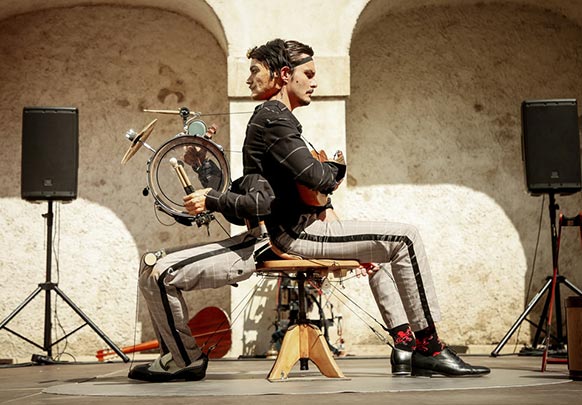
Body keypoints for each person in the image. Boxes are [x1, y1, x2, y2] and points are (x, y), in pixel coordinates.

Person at [128, 38, 490, 382]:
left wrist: (208, 176)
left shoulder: (269, 118)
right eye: (309, 75)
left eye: (253, 70)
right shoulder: (273, 117)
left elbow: (257, 188)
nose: (314, 83)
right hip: (297, 235)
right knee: (405, 238)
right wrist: (337, 168)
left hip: (291, 232)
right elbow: (314, 178)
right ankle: (429, 348)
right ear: (285, 75)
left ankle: (409, 345)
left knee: (389, 246)